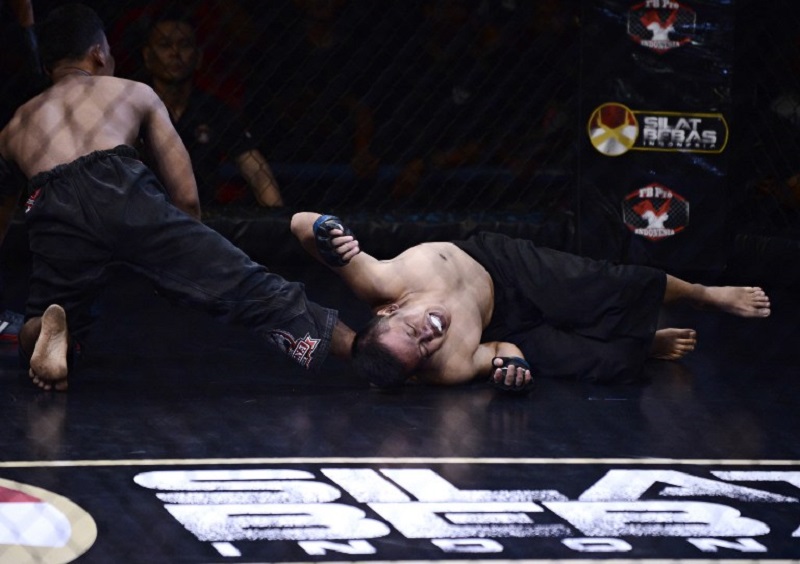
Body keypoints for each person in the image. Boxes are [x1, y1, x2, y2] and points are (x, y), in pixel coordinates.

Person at [0, 4, 354, 391]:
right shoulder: (131, 91)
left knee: (46, 316)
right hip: (117, 183)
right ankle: (359, 348)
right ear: (99, 53)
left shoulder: (16, 124)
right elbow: (184, 194)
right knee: (247, 286)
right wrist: (187, 260)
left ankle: (48, 330)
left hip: (51, 203)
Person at [291, 211, 772, 392]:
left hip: (502, 266)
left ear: (389, 310)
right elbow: (499, 350)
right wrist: (512, 369)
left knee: (616, 284)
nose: (433, 333)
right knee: (602, 364)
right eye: (426, 349)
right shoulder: (450, 366)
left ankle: (707, 296)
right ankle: (644, 344)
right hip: (506, 324)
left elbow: (297, 224)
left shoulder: (383, 282)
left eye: (416, 329)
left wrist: (326, 231)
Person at [140, 7, 283, 208]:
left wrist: (277, 221)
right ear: (148, 56)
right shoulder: (133, 105)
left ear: (198, 57)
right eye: (165, 45)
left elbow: (256, 170)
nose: (175, 53)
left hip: (202, 217)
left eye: (184, 45)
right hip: (144, 214)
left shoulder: (214, 109)